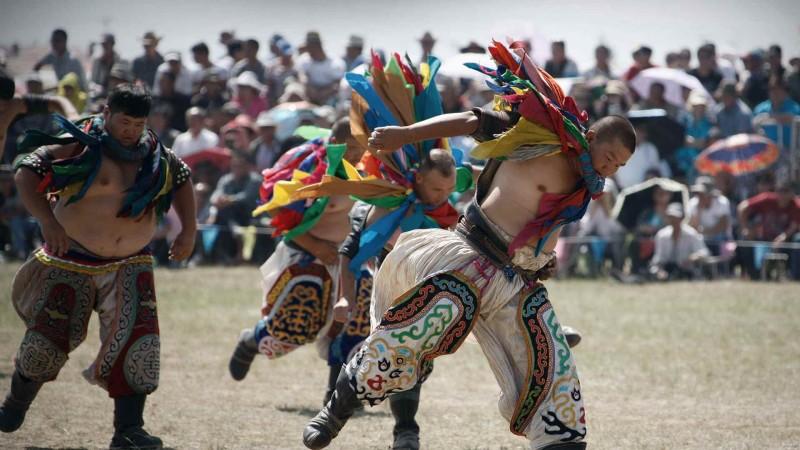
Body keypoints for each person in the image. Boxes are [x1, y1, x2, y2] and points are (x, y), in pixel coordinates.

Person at [302, 41, 636, 450]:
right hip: (470, 258)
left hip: (518, 283)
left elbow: (543, 226)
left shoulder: (583, 187)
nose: (611, 166)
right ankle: (335, 410)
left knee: (556, 379)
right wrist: (406, 134)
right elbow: (468, 121)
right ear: (592, 135)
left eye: (620, 165)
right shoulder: (539, 134)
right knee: (409, 335)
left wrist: (542, 259)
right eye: (610, 155)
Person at [0, 84, 196, 448]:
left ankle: (128, 431)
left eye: (138, 123)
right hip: (72, 257)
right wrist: (48, 221)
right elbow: (27, 169)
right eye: (124, 122)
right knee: (46, 343)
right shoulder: (81, 142)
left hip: (130, 263)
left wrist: (189, 231)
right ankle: (15, 403)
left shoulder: (154, 152)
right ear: (106, 113)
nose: (131, 131)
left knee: (139, 344)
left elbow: (182, 178)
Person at [227, 119, 364, 375]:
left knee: (355, 324)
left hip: (351, 256)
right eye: (351, 147)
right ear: (335, 143)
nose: (358, 154)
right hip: (306, 255)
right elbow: (276, 207)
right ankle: (251, 341)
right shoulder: (310, 167)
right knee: (293, 328)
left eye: (362, 147)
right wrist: (314, 245)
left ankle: (338, 396)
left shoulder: (371, 167)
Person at [649, 203, 710, 280]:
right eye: (670, 217)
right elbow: (658, 258)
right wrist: (660, 271)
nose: (673, 220)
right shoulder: (661, 235)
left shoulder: (691, 234)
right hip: (666, 268)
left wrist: (693, 257)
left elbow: (704, 252)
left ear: (681, 218)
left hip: (686, 270)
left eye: (675, 217)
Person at [686, 176, 733, 254]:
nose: (699, 196)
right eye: (697, 193)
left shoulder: (722, 202)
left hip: (720, 240)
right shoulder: (692, 204)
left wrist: (704, 232)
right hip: (700, 240)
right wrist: (699, 210)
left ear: (710, 193)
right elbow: (693, 227)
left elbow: (723, 226)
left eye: (702, 193)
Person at [297, 32, 345, 106]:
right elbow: (303, 77)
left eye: (310, 47)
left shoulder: (336, 63)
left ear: (317, 46)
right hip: (309, 94)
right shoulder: (304, 60)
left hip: (329, 96)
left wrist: (322, 94)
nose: (308, 50)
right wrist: (310, 89)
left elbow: (337, 84)